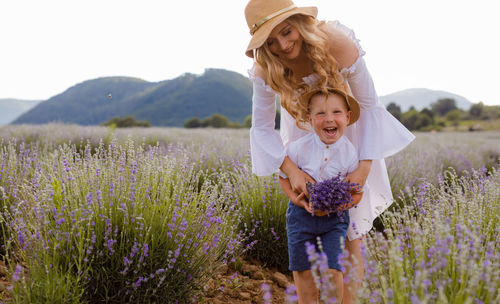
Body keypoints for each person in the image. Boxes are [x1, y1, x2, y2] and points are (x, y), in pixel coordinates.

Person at [244, 0, 415, 302]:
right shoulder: (265, 67)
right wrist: (292, 171)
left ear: (298, 22)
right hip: (301, 131)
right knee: (306, 215)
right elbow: (261, 128)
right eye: (271, 41)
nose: (282, 45)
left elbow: (371, 106)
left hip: (349, 129)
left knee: (351, 232)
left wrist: (362, 168)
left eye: (286, 32)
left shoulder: (337, 42)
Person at [279, 87, 364, 303]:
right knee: (302, 269)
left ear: (348, 117)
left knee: (333, 268)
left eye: (336, 112)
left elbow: (358, 193)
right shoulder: (298, 148)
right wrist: (293, 197)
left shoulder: (350, 153)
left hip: (334, 220)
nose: (329, 119)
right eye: (320, 114)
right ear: (309, 119)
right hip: (300, 216)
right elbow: (283, 176)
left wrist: (338, 206)